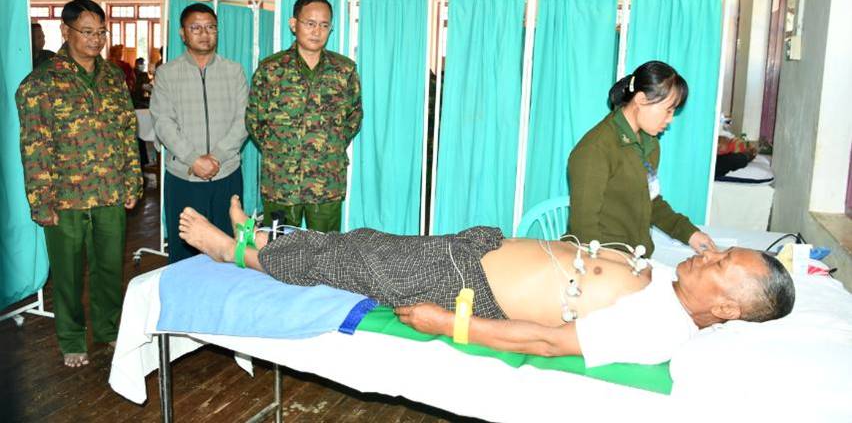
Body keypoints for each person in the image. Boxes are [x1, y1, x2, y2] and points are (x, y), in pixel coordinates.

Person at [177, 196, 795, 366]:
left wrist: (450, 323)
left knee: (346, 262)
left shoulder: (660, 328)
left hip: (464, 285)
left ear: (728, 310)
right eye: (722, 252)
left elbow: (547, 341)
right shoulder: (670, 287)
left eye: (721, 265)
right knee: (360, 240)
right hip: (476, 250)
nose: (709, 256)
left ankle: (233, 252)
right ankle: (259, 236)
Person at [16, 0, 142, 368]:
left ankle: (108, 328)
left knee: (109, 268)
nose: (95, 40)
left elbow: (127, 131)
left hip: (109, 191)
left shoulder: (113, 77)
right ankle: (72, 338)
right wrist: (41, 201)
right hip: (65, 196)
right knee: (68, 275)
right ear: (65, 31)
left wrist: (132, 180)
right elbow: (34, 146)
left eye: (101, 32)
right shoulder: (41, 82)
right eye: (87, 32)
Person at [568, 61, 717, 257]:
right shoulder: (596, 149)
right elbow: (583, 229)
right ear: (641, 99)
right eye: (668, 110)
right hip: (601, 259)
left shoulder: (649, 144)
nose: (670, 119)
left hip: (635, 257)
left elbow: (650, 200)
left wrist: (689, 233)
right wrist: (608, 266)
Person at [246, 0, 362, 232]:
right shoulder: (271, 69)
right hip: (280, 181)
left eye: (324, 25)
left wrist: (328, 147)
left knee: (326, 249)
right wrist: (281, 150)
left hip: (326, 181)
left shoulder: (344, 71)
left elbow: (354, 117)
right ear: (293, 24)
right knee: (279, 248)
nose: (317, 31)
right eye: (310, 23)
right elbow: (254, 119)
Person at [150, 3, 249, 263]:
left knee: (230, 248)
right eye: (196, 28)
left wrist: (216, 157)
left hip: (227, 172)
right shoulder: (167, 73)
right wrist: (194, 159)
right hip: (184, 175)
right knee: (184, 251)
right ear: (182, 33)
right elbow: (163, 122)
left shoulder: (234, 71)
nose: (204, 34)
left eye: (211, 27)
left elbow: (244, 119)